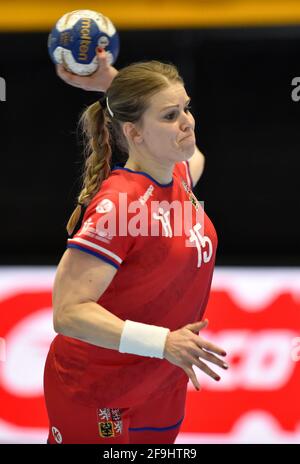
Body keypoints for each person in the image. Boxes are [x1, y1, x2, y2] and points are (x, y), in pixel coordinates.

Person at [43, 49, 228, 445]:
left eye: (186, 108)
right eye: (170, 115)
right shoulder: (120, 204)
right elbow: (68, 312)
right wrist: (162, 342)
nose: (187, 123)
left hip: (160, 385)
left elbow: (196, 156)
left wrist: (112, 81)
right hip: (101, 393)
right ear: (134, 133)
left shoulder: (176, 175)